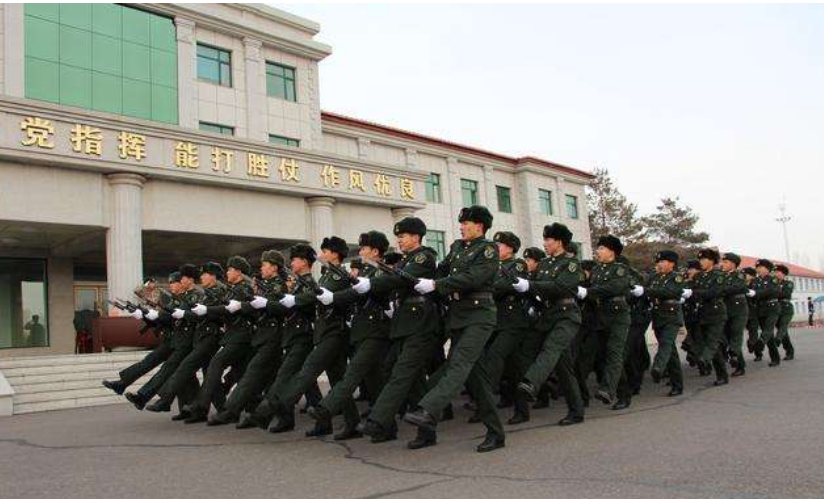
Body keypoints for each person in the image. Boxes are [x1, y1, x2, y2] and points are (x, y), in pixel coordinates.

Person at [404, 205, 506, 453]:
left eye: (466, 223)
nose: (461, 227)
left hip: (480, 315)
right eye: (461, 223)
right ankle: (495, 433)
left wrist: (436, 285)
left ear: (479, 226)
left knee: (457, 364)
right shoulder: (458, 248)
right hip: (458, 316)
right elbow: (441, 270)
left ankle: (427, 411)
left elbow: (473, 278)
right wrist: (414, 276)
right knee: (475, 377)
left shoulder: (488, 249)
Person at [263, 236, 361, 439]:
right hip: (326, 331)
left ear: (334, 254)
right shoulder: (327, 274)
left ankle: (277, 405)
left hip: (335, 331)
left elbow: (320, 296)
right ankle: (346, 424)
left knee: (309, 369)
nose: (321, 255)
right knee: (336, 379)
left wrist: (295, 299)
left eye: (325, 251)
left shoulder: (337, 275)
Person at [354, 217, 440, 445]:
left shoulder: (424, 257)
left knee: (402, 372)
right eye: (399, 237)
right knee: (407, 376)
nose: (399, 241)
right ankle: (426, 430)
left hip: (420, 324)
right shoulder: (405, 260)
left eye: (402, 236)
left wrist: (371, 284)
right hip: (404, 323)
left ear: (415, 237)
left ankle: (378, 421)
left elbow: (396, 281)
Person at [307, 231, 393, 440]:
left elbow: (371, 294)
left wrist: (334, 297)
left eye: (364, 248)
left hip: (377, 331)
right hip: (362, 331)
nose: (361, 252)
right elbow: (353, 296)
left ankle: (325, 408)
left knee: (353, 373)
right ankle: (386, 427)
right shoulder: (367, 274)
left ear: (375, 251)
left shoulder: (382, 274)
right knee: (375, 381)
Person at [512, 223, 585, 424]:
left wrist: (532, 285)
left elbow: (562, 286)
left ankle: (531, 383)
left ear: (559, 242)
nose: (545, 243)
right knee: (561, 367)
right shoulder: (544, 264)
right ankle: (576, 411)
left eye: (548, 240)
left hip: (566, 315)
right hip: (548, 316)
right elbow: (534, 284)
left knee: (551, 349)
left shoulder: (571, 264)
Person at [209, 251, 288, 426]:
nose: (261, 268)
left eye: (265, 265)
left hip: (273, 335)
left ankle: (230, 411)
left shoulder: (278, 285)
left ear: (274, 267)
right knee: (269, 379)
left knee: (254, 372)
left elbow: (277, 308)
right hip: (261, 335)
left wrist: (243, 305)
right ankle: (271, 416)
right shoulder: (263, 284)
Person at [183, 256, 256, 424]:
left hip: (241, 336)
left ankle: (201, 404)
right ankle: (246, 410)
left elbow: (230, 310)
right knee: (242, 375)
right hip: (234, 336)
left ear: (238, 272)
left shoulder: (244, 289)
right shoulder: (233, 288)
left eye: (230, 269)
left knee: (216, 364)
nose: (227, 272)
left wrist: (207, 310)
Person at [578, 235, 631, 407]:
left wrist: (589, 293)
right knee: (602, 355)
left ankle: (609, 391)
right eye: (598, 248)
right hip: (600, 317)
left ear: (612, 252)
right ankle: (622, 392)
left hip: (618, 316)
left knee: (614, 354)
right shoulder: (597, 270)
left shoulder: (620, 269)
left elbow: (615, 288)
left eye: (601, 248)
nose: (597, 251)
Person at [642, 251, 686, 396]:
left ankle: (658, 367)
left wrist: (647, 291)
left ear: (672, 263)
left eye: (663, 261)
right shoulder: (653, 277)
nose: (660, 264)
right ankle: (677, 384)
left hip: (672, 316)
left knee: (666, 343)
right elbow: (644, 289)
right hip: (658, 316)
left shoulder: (676, 277)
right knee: (671, 352)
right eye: (659, 262)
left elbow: (669, 292)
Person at [687, 248, 729, 386]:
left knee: (712, 341)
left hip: (716, 312)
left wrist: (693, 293)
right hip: (703, 313)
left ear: (712, 261)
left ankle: (704, 359)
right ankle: (721, 375)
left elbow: (714, 292)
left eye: (704, 259)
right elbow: (691, 289)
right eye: (700, 259)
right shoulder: (699, 276)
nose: (701, 262)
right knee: (712, 346)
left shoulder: (719, 275)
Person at [720, 253, 749, 377]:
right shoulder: (721, 276)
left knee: (736, 334)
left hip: (739, 309)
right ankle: (738, 361)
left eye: (725, 262)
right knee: (727, 338)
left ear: (732, 263)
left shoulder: (739, 275)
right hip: (726, 309)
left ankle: (736, 360)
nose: (723, 264)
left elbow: (738, 287)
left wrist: (722, 290)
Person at [750, 259, 782, 367]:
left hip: (772, 307)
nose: (758, 269)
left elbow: (773, 291)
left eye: (761, 267)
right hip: (761, 309)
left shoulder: (773, 279)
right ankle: (775, 358)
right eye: (757, 268)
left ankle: (761, 341)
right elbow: (752, 295)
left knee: (768, 329)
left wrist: (756, 293)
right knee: (769, 336)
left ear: (767, 269)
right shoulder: (755, 281)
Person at [774, 265, 795, 361]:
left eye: (778, 272)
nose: (776, 274)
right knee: (784, 333)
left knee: (783, 326)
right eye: (775, 272)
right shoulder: (773, 283)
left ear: (783, 274)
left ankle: (777, 339)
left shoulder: (788, 283)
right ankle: (789, 351)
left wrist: (773, 293)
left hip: (786, 309)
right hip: (777, 309)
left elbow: (786, 294)